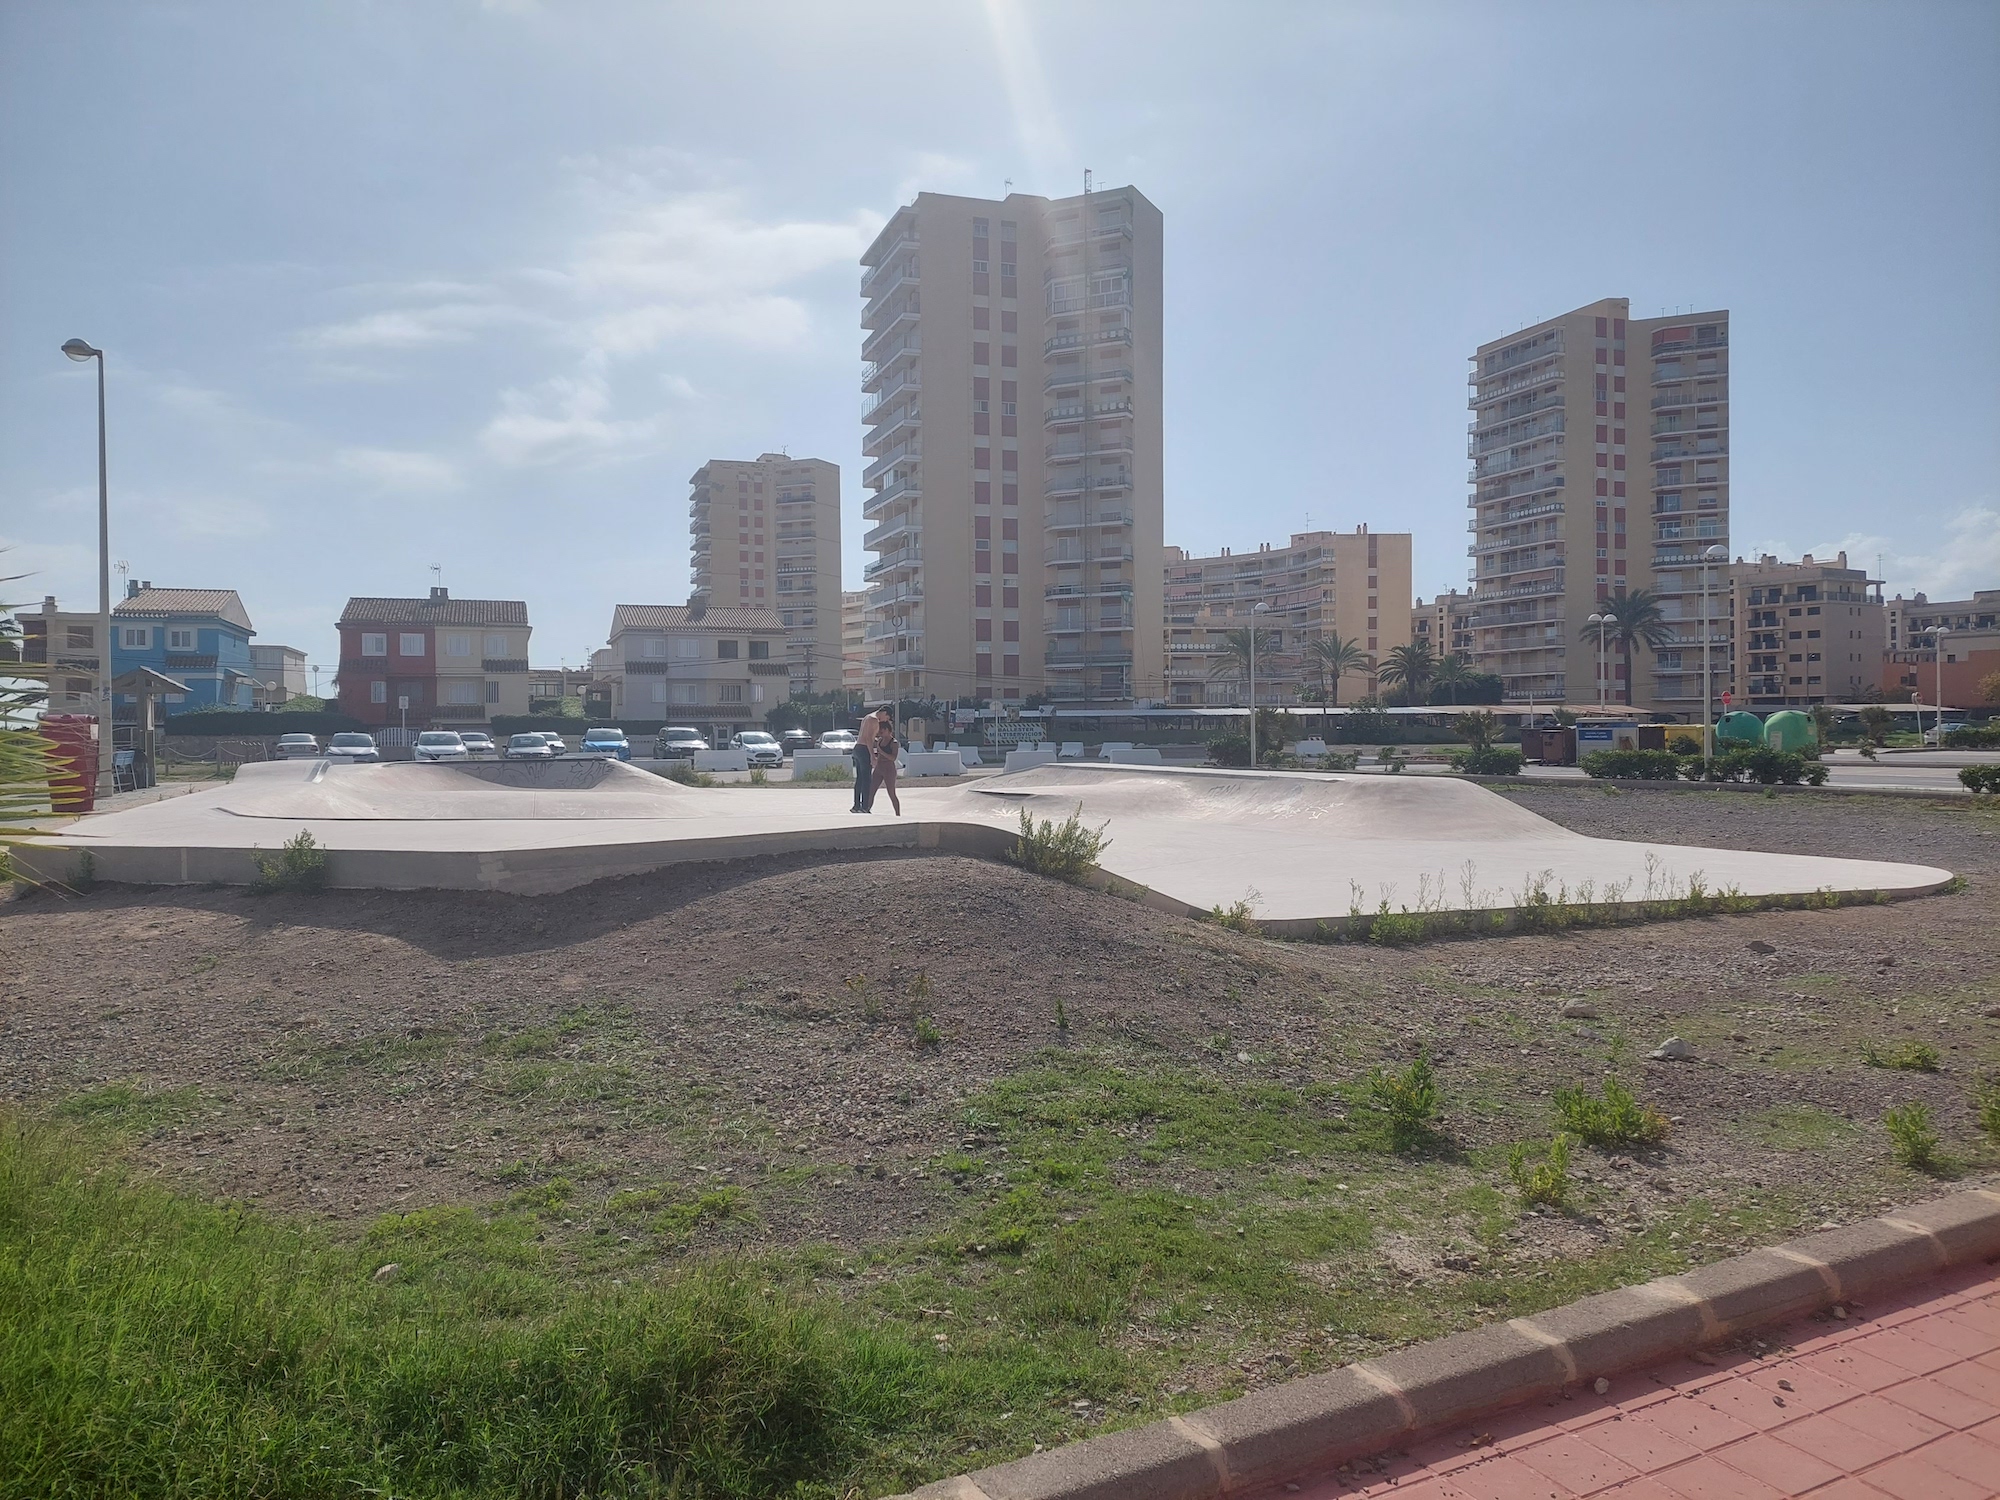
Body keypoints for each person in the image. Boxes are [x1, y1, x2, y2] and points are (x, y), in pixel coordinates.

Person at [867, 708, 902, 817]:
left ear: (888, 730)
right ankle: (867, 809)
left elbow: (893, 758)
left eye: (883, 730)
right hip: (879, 768)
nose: (881, 732)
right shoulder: (880, 741)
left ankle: (898, 814)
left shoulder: (894, 743)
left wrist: (881, 751)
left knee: (891, 793)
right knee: (871, 790)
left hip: (889, 769)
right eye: (880, 730)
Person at [849, 713, 874, 812]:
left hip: (857, 748)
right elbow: (868, 738)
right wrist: (872, 755)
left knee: (860, 779)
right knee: (867, 779)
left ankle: (856, 805)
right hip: (864, 749)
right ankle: (864, 806)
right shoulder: (874, 720)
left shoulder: (866, 718)